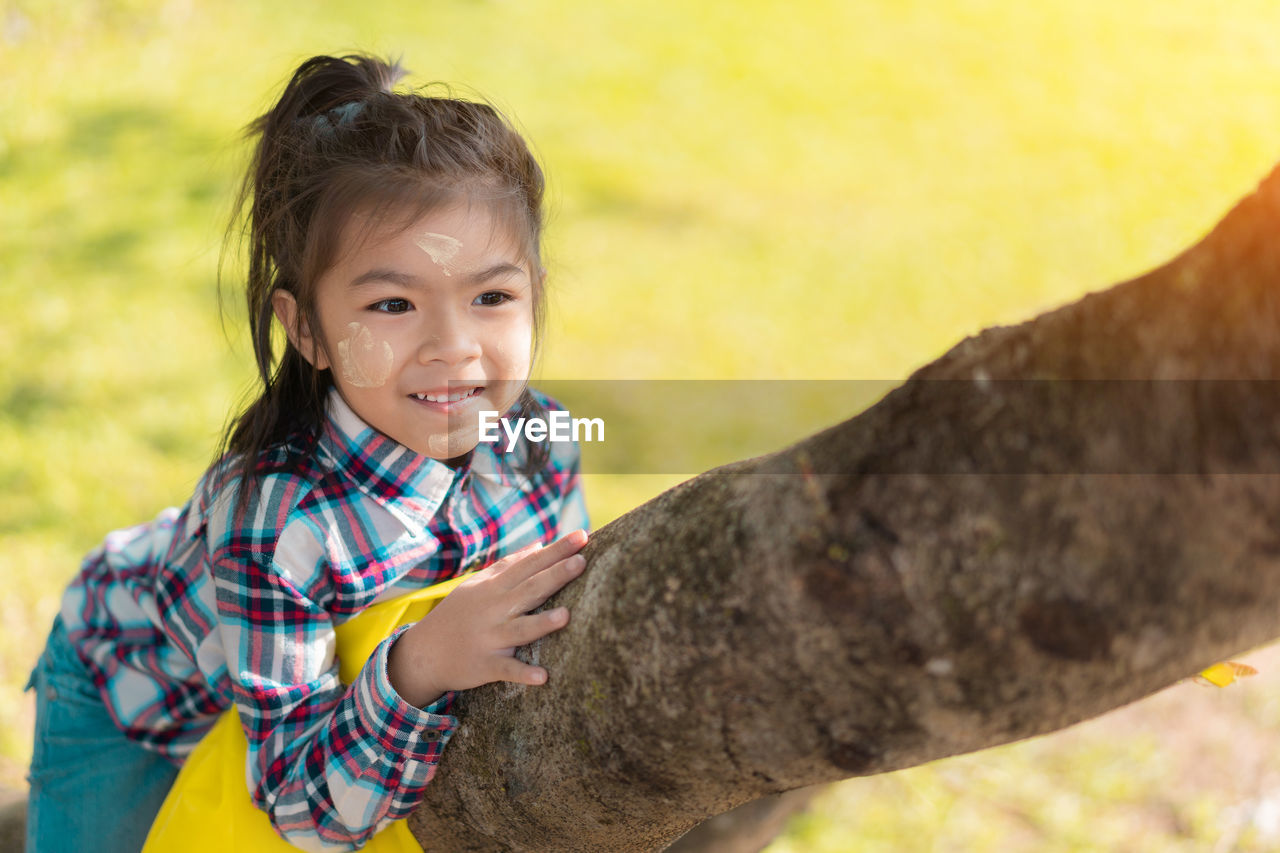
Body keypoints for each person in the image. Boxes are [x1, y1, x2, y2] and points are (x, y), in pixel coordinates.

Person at [24, 52, 590, 852]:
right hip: (142, 699)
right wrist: (421, 662)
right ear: (308, 330)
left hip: (314, 702)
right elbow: (303, 806)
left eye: (492, 296)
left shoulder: (540, 442)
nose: (454, 346)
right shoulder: (279, 521)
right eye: (393, 303)